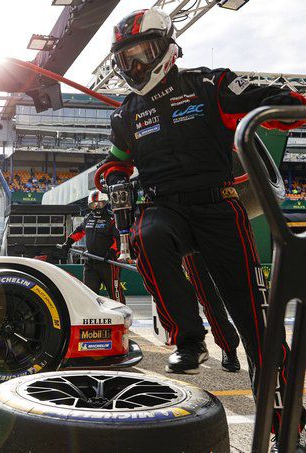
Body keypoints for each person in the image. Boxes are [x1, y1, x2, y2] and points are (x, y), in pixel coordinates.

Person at [103, 7, 306, 435]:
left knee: (257, 326)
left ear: (167, 49)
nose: (136, 65)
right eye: (127, 58)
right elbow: (115, 163)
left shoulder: (209, 84)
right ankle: (190, 341)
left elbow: (270, 104)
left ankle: (287, 426)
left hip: (220, 207)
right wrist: (115, 179)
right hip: (165, 207)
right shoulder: (124, 115)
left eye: (143, 53)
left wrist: (292, 104)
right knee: (146, 235)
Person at [59, 190, 125, 303]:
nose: (97, 206)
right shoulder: (88, 217)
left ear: (105, 202)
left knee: (115, 292)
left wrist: (112, 252)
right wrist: (68, 242)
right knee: (89, 294)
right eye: (94, 204)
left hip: (108, 263)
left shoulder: (112, 218)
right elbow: (79, 231)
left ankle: (123, 316)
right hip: (90, 262)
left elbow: (118, 238)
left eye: (100, 203)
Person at [183, 253, 240, 372]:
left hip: (223, 237)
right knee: (208, 298)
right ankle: (228, 347)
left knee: (242, 292)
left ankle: (262, 348)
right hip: (187, 242)